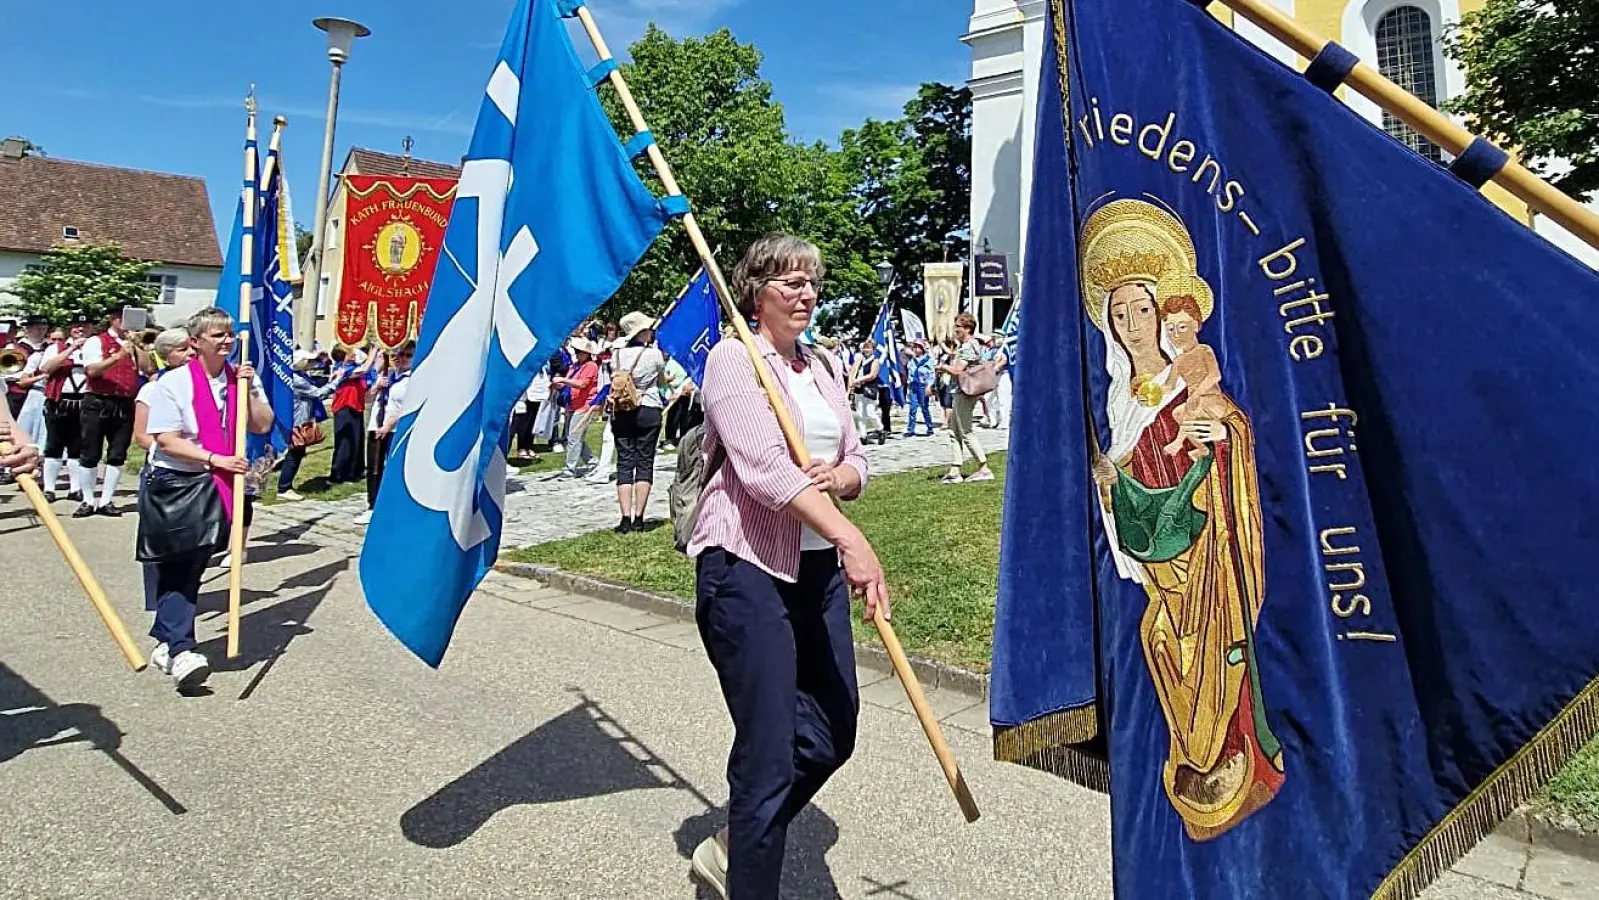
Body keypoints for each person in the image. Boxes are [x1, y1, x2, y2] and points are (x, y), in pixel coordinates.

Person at [686, 234, 889, 900]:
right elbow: (764, 470)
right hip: (745, 566)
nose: (806, 294)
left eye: (812, 283)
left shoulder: (823, 364)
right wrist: (850, 538)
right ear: (755, 290)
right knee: (768, 753)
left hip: (815, 570)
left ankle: (732, 843)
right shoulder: (733, 359)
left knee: (832, 731)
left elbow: (856, 456)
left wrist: (843, 478)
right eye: (790, 283)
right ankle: (749, 875)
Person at [139, 308, 274, 690]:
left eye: (229, 333)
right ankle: (182, 649)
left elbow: (263, 424)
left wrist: (248, 391)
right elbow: (166, 439)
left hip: (219, 481)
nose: (227, 340)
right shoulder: (173, 383)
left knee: (194, 564)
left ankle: (167, 638)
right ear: (196, 342)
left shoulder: (241, 378)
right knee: (178, 564)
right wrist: (215, 458)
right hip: (176, 482)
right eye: (217, 335)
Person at [132, 328, 194, 613]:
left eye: (192, 348)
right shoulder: (152, 389)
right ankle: (158, 602)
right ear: (166, 356)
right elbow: (142, 436)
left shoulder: (201, 386)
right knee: (159, 540)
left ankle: (180, 597)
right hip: (163, 470)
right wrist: (175, 448)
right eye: (182, 349)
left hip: (197, 472)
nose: (190, 354)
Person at [78, 308, 156, 517]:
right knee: (90, 451)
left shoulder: (134, 343)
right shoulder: (96, 341)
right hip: (98, 400)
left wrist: (137, 346)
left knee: (118, 452)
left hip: (124, 401)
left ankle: (107, 500)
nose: (127, 322)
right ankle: (87, 499)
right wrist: (119, 356)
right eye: (122, 318)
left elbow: (148, 368)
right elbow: (92, 371)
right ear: (113, 319)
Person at [608, 311, 668, 532]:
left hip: (622, 410)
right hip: (648, 408)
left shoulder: (615, 355)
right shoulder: (653, 355)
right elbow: (661, 380)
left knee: (624, 461)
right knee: (644, 461)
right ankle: (639, 517)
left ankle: (624, 517)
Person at [1158, 292, 1227, 460]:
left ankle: (1178, 442)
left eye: (1182, 327)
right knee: (1178, 413)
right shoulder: (1178, 361)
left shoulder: (1204, 350)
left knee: (1191, 408)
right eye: (1170, 329)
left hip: (1212, 400)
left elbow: (1214, 375)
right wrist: (1151, 391)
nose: (1176, 334)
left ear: (1195, 325)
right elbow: (1169, 386)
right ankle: (1202, 448)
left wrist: (1196, 395)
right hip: (1194, 404)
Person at [38, 315, 94, 503]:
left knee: (77, 447)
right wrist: (71, 349)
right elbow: (46, 368)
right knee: (54, 445)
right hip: (59, 401)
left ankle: (75, 488)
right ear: (70, 329)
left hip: (84, 401)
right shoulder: (56, 348)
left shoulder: (95, 348)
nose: (81, 329)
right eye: (77, 326)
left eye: (85, 326)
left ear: (91, 328)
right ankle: (49, 488)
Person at [355, 343, 413, 527]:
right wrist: (375, 387)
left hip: (396, 429)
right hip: (376, 426)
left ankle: (397, 505)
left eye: (407, 355)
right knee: (374, 468)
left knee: (396, 468)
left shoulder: (413, 379)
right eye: (399, 354)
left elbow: (409, 407)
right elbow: (367, 400)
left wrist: (389, 425)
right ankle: (372, 506)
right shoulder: (387, 374)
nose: (402, 359)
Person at [936, 312, 996, 485]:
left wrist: (943, 367)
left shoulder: (968, 346)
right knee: (954, 431)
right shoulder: (970, 344)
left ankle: (984, 468)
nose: (955, 330)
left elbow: (958, 370)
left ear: (968, 328)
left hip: (965, 392)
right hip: (960, 391)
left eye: (958, 327)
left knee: (966, 432)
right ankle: (955, 470)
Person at [277, 350, 339, 500]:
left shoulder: (299, 375)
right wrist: (337, 381)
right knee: (294, 454)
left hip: (297, 419)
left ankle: (284, 485)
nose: (312, 363)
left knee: (295, 453)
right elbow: (318, 393)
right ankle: (284, 488)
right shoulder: (297, 380)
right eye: (308, 361)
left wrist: (322, 359)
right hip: (298, 421)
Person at [552, 338, 601, 477]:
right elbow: (571, 382)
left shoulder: (591, 366)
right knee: (573, 437)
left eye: (580, 352)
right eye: (576, 351)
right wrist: (559, 384)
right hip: (572, 404)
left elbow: (582, 384)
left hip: (585, 405)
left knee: (574, 437)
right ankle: (592, 462)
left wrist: (563, 380)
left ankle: (570, 468)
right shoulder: (574, 366)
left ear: (587, 353)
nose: (577, 354)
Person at [328, 346, 376, 484]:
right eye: (350, 353)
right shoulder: (341, 369)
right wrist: (374, 350)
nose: (354, 354)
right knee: (344, 442)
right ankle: (338, 474)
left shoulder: (353, 366)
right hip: (344, 407)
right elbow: (364, 369)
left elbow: (369, 369)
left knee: (356, 440)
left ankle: (354, 471)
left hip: (356, 407)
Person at [848, 337, 883, 444]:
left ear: (873, 349)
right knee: (860, 414)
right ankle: (863, 435)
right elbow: (853, 372)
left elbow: (872, 375)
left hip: (870, 389)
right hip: (859, 389)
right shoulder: (859, 360)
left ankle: (880, 429)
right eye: (865, 348)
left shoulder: (875, 360)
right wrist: (851, 384)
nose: (866, 350)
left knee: (870, 412)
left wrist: (859, 380)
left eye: (869, 348)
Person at [903, 339, 936, 437]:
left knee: (924, 408)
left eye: (918, 347)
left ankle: (930, 428)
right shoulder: (912, 360)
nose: (916, 349)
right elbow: (910, 372)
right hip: (914, 386)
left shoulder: (928, 360)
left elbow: (932, 375)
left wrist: (929, 386)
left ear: (922, 349)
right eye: (914, 347)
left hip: (923, 386)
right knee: (912, 409)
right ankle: (910, 429)